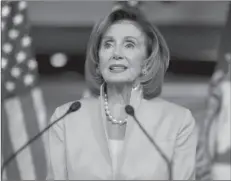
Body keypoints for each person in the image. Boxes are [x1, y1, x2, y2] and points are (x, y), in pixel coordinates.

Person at [46, 6, 197, 180]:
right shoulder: (66, 118)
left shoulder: (178, 121)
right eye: (108, 44)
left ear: (147, 62)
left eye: (129, 45)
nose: (116, 53)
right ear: (98, 59)